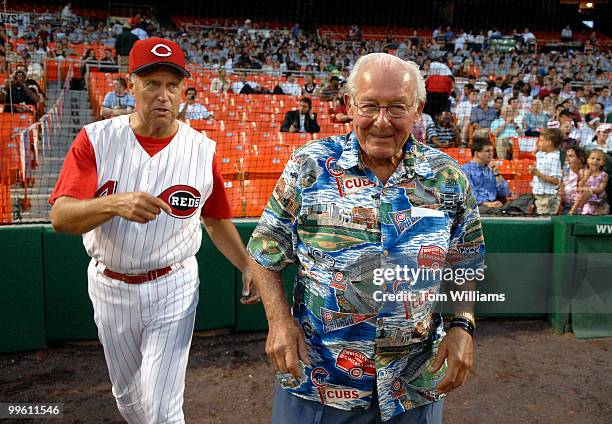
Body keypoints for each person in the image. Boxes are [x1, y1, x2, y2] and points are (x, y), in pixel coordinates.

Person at [247, 53, 483, 424]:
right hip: (319, 379)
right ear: (349, 105)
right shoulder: (310, 166)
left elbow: (466, 260)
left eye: (397, 107)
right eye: (369, 106)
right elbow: (264, 249)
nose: (382, 121)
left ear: (418, 109)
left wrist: (463, 325)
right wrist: (278, 321)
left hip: (414, 382)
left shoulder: (447, 177)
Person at [49, 37, 259, 424]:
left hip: (172, 286)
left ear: (182, 91)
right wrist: (113, 203)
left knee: (162, 409)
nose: (163, 95)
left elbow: (214, 219)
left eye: (172, 85)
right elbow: (61, 217)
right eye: (151, 84)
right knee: (128, 397)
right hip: (109, 286)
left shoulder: (201, 149)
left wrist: (247, 264)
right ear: (131, 86)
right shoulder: (95, 140)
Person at [462, 135, 510, 212]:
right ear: (477, 153)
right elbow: (469, 196)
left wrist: (497, 173)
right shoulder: (466, 170)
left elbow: (505, 193)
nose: (491, 154)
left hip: (495, 205)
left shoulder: (492, 169)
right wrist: (487, 204)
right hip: (477, 207)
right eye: (488, 151)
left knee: (526, 199)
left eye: (492, 151)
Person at [529, 129, 563, 215]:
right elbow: (534, 153)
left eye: (541, 140)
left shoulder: (555, 158)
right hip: (537, 195)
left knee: (544, 222)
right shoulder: (541, 154)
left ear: (549, 142)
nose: (538, 143)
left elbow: (556, 181)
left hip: (548, 197)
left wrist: (537, 174)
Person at [570, 149, 609, 215]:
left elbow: (601, 189)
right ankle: (573, 211)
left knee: (588, 193)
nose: (595, 161)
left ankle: (578, 211)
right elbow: (580, 185)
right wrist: (588, 175)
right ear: (588, 160)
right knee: (586, 193)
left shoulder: (604, 175)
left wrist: (589, 189)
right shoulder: (582, 171)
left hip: (596, 197)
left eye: (598, 159)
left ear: (603, 162)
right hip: (581, 196)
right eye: (592, 158)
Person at [559, 146, 585, 214]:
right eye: (566, 156)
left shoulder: (585, 173)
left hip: (582, 207)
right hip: (565, 206)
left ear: (580, 159)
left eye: (571, 156)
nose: (567, 159)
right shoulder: (563, 173)